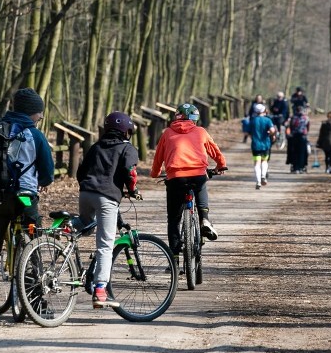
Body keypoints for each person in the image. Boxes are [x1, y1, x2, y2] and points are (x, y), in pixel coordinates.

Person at [0, 87, 55, 318]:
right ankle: (37, 302)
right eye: (39, 113)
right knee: (33, 246)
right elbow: (47, 171)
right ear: (31, 113)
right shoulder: (34, 135)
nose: (41, 117)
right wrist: (43, 181)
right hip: (25, 198)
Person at [76, 111, 141, 309]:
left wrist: (89, 187)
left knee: (85, 224)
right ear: (126, 131)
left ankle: (64, 229)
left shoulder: (96, 147)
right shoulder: (127, 148)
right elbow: (130, 172)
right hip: (107, 198)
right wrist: (133, 190)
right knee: (105, 244)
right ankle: (100, 290)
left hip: (86, 193)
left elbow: (80, 172)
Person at [150, 103, 227, 259]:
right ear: (195, 118)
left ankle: (174, 257)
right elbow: (215, 151)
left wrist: (155, 173)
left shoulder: (167, 133)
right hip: (198, 175)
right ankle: (204, 219)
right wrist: (221, 165)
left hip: (175, 178)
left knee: (173, 219)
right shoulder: (201, 132)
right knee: (200, 186)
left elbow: (158, 157)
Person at [248, 103, 276, 189]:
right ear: (263, 110)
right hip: (265, 144)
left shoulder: (252, 121)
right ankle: (263, 176)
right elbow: (272, 130)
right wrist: (270, 133)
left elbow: (248, 132)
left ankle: (258, 181)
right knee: (264, 161)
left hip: (255, 145)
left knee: (257, 163)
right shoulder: (267, 120)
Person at [286, 105, 310, 173]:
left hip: (295, 136)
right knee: (302, 153)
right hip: (302, 136)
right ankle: (301, 167)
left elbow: (291, 126)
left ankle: (296, 167)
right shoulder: (306, 118)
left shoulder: (293, 117)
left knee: (295, 152)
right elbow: (308, 127)